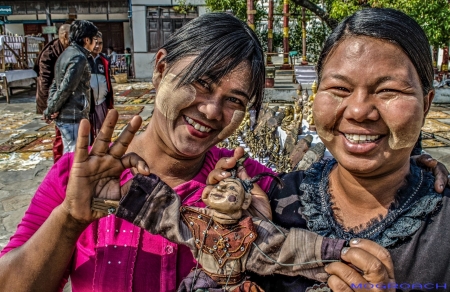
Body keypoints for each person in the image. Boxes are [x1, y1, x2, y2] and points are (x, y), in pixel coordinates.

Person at [0, 13, 272, 292]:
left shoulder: (252, 185)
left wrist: (263, 234)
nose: (212, 110)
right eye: (201, 83)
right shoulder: (77, 181)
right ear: (161, 69)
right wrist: (69, 220)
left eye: (234, 100)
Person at [211, 8, 449, 291]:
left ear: (427, 104)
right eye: (339, 88)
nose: (359, 111)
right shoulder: (274, 202)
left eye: (388, 91)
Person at [43, 20, 98, 154]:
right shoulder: (78, 58)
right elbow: (66, 88)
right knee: (76, 157)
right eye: (94, 39)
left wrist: (51, 107)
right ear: (86, 40)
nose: (96, 43)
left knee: (69, 156)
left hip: (68, 116)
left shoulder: (66, 54)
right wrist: (51, 109)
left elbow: (56, 85)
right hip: (73, 116)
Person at [33, 24, 71, 163]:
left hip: (67, 98)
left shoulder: (69, 50)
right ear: (65, 36)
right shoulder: (50, 53)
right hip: (54, 97)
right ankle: (60, 165)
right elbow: (45, 83)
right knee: (61, 135)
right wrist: (51, 107)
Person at [88, 31, 114, 141]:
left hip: (102, 101)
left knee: (103, 130)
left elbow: (107, 80)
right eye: (95, 43)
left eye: (100, 43)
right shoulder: (82, 59)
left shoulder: (104, 60)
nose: (98, 46)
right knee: (88, 131)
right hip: (88, 104)